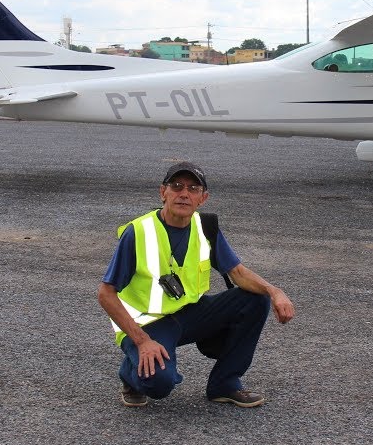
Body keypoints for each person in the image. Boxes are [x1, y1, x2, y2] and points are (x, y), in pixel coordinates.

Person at [97, 161, 296, 408]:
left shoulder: (205, 227)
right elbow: (106, 293)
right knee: (158, 384)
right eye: (177, 186)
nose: (184, 194)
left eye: (193, 188)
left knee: (255, 298)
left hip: (191, 314)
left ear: (203, 198)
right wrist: (141, 341)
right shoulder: (139, 232)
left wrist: (274, 291)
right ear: (163, 192)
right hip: (148, 323)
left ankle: (225, 384)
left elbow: (238, 272)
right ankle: (130, 374)